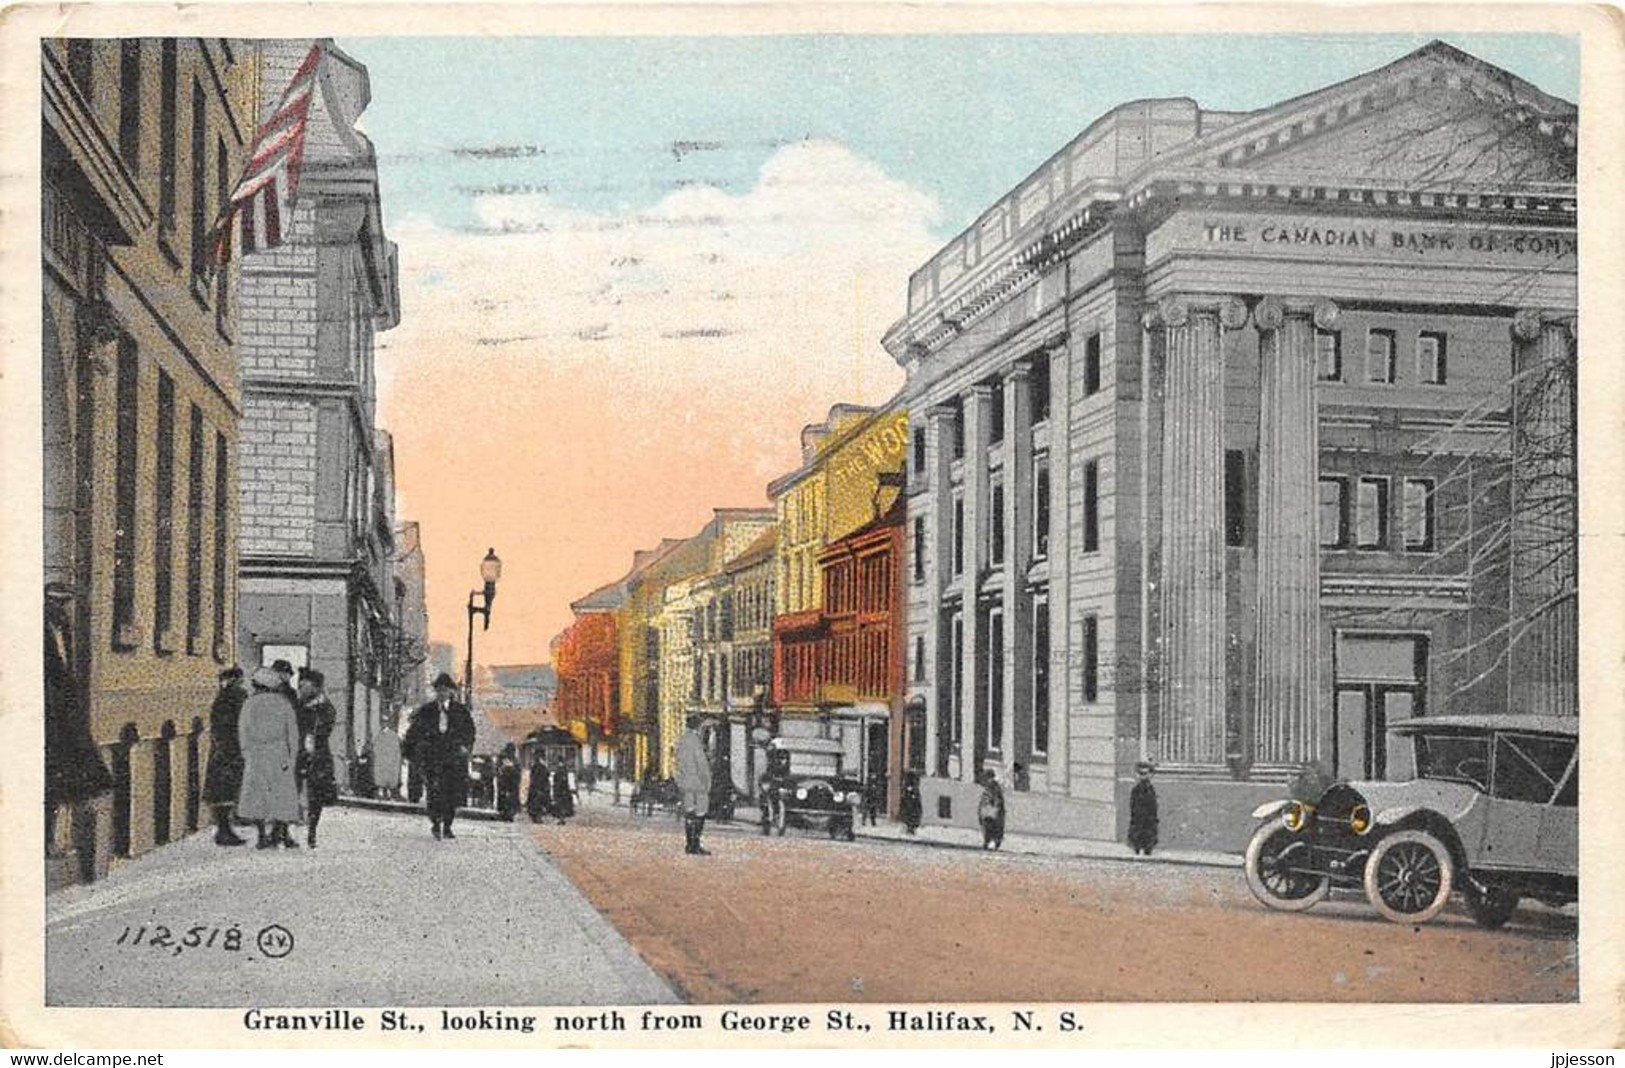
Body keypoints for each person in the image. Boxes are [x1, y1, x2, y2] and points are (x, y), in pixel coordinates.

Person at [403, 673, 474, 839]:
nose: (442, 694)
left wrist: (465, 748)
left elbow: (469, 733)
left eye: (445, 690)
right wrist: (412, 752)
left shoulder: (460, 711)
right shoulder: (427, 711)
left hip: (453, 760)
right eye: (439, 690)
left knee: (451, 793)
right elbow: (414, 732)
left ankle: (448, 825)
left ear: (451, 692)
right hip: (432, 759)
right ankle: (435, 823)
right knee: (434, 792)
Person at [237, 666, 302, 849]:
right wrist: (292, 756)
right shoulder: (283, 703)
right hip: (279, 752)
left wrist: (246, 752)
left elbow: (243, 731)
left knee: (257, 794)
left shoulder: (249, 704)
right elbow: (293, 733)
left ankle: (261, 836)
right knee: (282, 794)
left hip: (256, 753)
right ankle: (279, 832)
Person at [203, 668, 248, 846]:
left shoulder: (221, 697)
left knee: (222, 790)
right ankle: (224, 831)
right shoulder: (237, 696)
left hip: (221, 749)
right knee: (227, 790)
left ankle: (224, 829)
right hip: (232, 750)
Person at [295, 669, 339, 848]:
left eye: (304, 685)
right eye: (300, 685)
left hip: (318, 755)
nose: (300, 688)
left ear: (316, 687)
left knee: (316, 795)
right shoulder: (298, 705)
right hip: (298, 753)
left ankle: (312, 831)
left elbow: (323, 731)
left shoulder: (325, 707)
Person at [675, 715, 712, 855]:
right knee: (700, 813)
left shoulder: (682, 740)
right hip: (698, 783)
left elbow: (678, 761)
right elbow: (701, 764)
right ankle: (695, 844)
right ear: (698, 726)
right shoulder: (696, 741)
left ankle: (689, 844)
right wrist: (707, 782)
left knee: (689, 813)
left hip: (685, 782)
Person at [1128, 760, 1160, 857]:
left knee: (1148, 837)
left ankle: (1147, 850)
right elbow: (1132, 805)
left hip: (1149, 820)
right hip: (1138, 819)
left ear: (1150, 774)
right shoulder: (1136, 789)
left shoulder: (1151, 789)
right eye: (1140, 774)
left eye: (1145, 774)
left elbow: (1153, 806)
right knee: (1137, 837)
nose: (1143, 777)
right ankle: (1137, 849)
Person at [372, 717, 402, 801]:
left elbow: (396, 749)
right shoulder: (379, 735)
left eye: (385, 722)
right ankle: (384, 792)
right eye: (382, 722)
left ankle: (390, 792)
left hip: (389, 760)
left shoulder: (392, 735)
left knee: (389, 776)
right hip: (383, 760)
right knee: (382, 776)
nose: (384, 724)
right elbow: (376, 747)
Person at [977, 768, 1006, 850]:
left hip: (992, 812)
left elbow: (996, 800)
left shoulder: (993, 787)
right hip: (991, 811)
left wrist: (993, 809)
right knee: (990, 827)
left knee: (991, 827)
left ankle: (991, 842)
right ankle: (990, 841)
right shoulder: (993, 787)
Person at [496, 744, 521, 821]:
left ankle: (510, 813)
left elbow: (518, 772)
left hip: (513, 783)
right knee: (504, 798)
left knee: (511, 799)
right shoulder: (503, 760)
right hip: (505, 783)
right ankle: (504, 813)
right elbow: (498, 771)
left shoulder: (516, 761)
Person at [526, 754, 552, 822]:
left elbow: (532, 777)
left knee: (535, 803)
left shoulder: (534, 767)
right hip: (540, 787)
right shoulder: (542, 767)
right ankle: (538, 817)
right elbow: (546, 775)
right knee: (539, 803)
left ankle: (535, 816)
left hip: (534, 787)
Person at [550, 756, 575, 824]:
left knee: (560, 805)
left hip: (561, 790)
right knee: (561, 805)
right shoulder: (564, 770)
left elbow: (561, 781)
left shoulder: (561, 770)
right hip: (562, 790)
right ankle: (561, 819)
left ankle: (561, 819)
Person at [899, 770, 922, 835]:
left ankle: (910, 828)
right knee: (910, 814)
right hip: (910, 803)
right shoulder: (910, 787)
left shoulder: (912, 787)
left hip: (911, 803)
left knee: (910, 814)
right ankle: (910, 827)